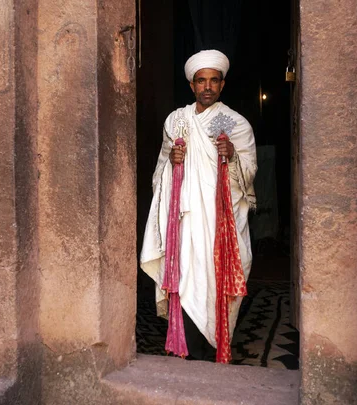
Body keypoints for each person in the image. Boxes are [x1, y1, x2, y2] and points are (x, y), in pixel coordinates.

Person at [140, 49, 257, 361]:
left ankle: (215, 345)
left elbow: (249, 175)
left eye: (213, 81)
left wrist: (232, 156)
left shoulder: (235, 124)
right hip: (186, 223)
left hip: (221, 225)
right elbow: (160, 172)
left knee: (217, 279)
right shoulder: (176, 121)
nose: (207, 86)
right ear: (191, 85)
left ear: (222, 84)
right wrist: (172, 164)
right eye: (201, 81)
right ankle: (188, 347)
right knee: (187, 279)